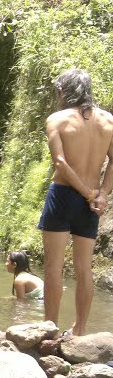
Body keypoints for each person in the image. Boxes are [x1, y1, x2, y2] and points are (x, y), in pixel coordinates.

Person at [39, 67, 113, 336]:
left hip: (63, 195)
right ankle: (80, 330)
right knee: (84, 268)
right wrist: (101, 193)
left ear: (62, 91)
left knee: (53, 267)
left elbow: (60, 162)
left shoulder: (57, 119)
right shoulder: (108, 121)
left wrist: (87, 192)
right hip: (91, 201)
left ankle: (49, 328)